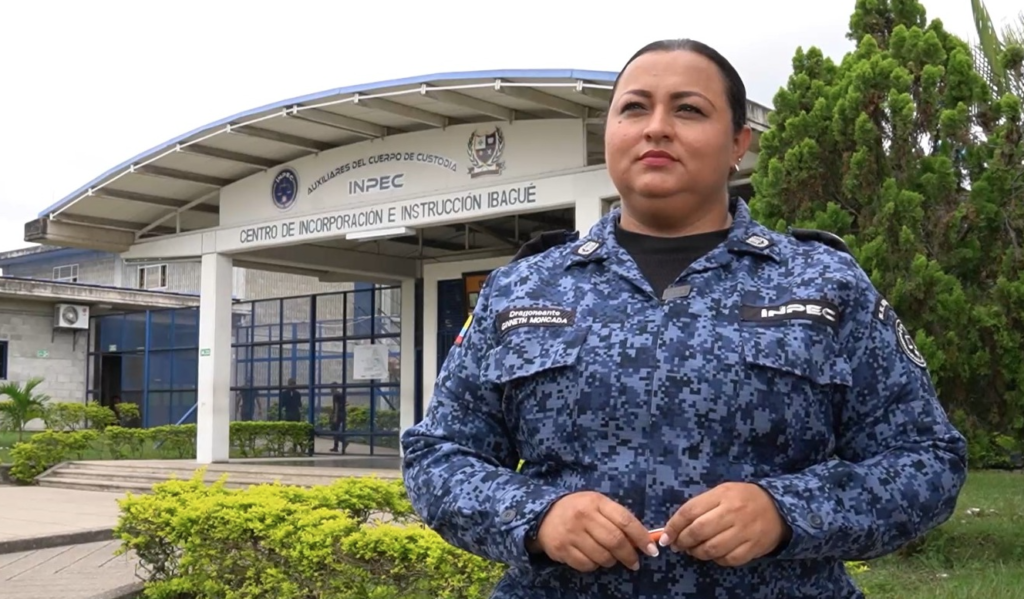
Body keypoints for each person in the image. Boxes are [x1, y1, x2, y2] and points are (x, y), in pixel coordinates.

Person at [400, 38, 968, 598]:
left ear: (737, 144)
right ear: (610, 136)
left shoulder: (825, 283)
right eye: (634, 107)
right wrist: (537, 516)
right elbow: (438, 456)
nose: (656, 127)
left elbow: (926, 461)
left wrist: (786, 512)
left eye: (689, 109)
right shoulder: (521, 287)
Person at [329, 383, 348, 453]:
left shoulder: (335, 395)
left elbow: (336, 406)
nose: (330, 390)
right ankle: (336, 446)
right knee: (336, 429)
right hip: (342, 413)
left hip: (338, 414)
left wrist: (335, 416)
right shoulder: (341, 394)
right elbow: (346, 403)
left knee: (334, 430)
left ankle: (343, 441)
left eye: (330, 388)